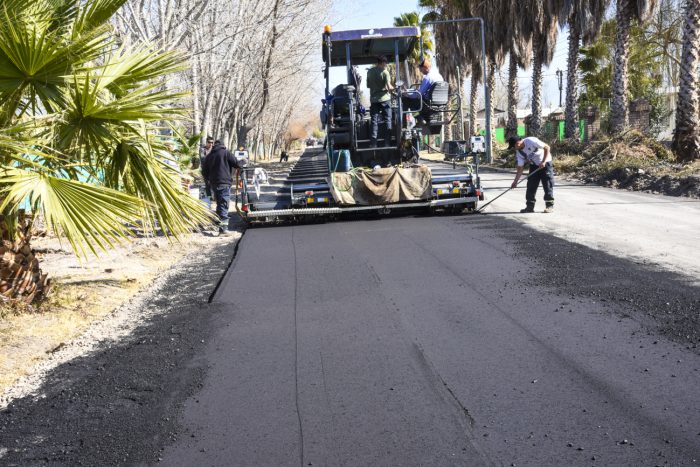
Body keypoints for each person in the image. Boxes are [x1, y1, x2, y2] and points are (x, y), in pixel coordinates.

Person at [201, 140, 240, 234]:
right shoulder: (226, 153)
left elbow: (204, 172)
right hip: (224, 183)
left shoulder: (209, 156)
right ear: (223, 145)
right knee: (224, 204)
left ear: (214, 145)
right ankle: (223, 229)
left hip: (214, 184)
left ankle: (219, 225)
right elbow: (237, 163)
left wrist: (209, 180)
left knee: (219, 204)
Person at [508, 135, 555, 213]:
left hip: (546, 163)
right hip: (534, 166)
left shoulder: (530, 141)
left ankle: (549, 206)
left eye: (513, 146)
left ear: (518, 143)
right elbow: (520, 168)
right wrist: (515, 182)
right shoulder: (519, 152)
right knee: (531, 185)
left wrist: (543, 162)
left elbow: (547, 147)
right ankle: (530, 207)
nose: (513, 148)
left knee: (547, 184)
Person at [366, 55, 393, 148]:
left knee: (374, 121)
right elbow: (389, 87)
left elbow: (368, 85)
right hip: (385, 99)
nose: (386, 65)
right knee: (387, 120)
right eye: (385, 63)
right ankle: (387, 142)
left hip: (374, 100)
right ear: (381, 62)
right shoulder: (385, 72)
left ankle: (373, 143)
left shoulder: (369, 72)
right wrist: (394, 88)